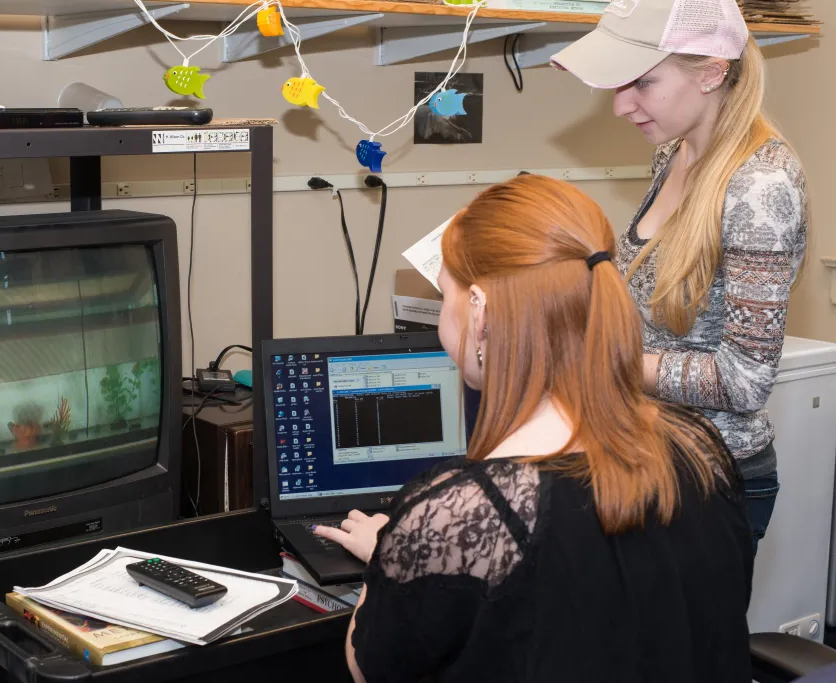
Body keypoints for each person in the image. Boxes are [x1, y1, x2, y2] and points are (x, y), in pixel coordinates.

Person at [315, 174, 754, 683]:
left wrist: (393, 561)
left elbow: (368, 666)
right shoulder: (699, 448)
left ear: (479, 310)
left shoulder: (454, 514)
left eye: (444, 295)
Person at [548, 0, 808, 552]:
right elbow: (656, 302)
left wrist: (601, 359)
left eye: (642, 83)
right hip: (646, 454)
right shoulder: (675, 153)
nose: (621, 106)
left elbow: (744, 380)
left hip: (710, 474)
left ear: (712, 72)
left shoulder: (760, 188)